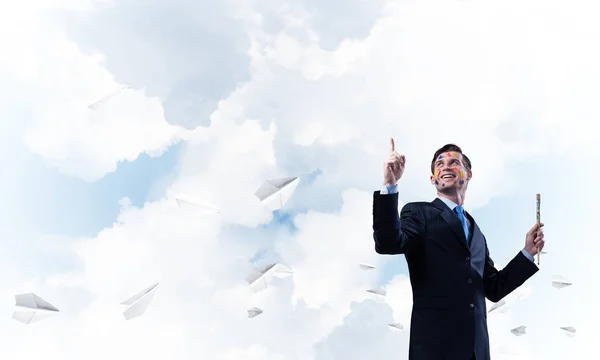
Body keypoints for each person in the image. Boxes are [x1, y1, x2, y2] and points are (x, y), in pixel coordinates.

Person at [372, 139, 545, 360]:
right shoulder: (419, 213)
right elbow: (388, 243)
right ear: (433, 178)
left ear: (468, 174)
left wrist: (527, 253)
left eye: (454, 162)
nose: (445, 166)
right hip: (435, 349)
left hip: (477, 352)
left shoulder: (477, 233)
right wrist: (390, 185)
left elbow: (493, 288)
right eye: (439, 164)